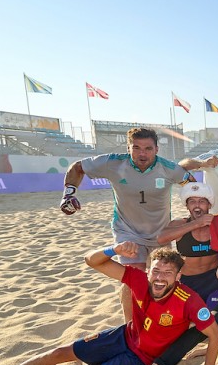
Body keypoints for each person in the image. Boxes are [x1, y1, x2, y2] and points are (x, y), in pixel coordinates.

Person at [0, 243, 218, 365]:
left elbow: (215, 336)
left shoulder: (189, 300)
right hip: (123, 336)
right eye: (155, 271)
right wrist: (113, 249)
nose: (159, 278)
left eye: (167, 273)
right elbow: (91, 261)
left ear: (178, 276)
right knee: (57, 353)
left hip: (140, 358)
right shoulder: (138, 279)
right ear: (148, 271)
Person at [60, 127, 194, 322]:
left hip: (160, 233)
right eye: (137, 147)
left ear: (156, 149)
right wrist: (68, 194)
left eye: (148, 148)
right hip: (127, 231)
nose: (142, 153)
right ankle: (130, 325)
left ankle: (161, 319)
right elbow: (77, 167)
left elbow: (191, 184)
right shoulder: (113, 163)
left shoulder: (169, 168)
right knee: (133, 278)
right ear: (128, 148)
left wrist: (190, 218)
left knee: (165, 277)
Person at [156, 182, 218, 303]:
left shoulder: (217, 223)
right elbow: (161, 238)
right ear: (187, 206)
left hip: (215, 277)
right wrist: (196, 224)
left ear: (209, 205)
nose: (197, 205)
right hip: (189, 281)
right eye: (192, 201)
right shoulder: (180, 224)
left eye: (202, 201)